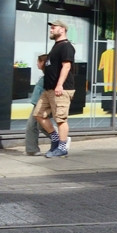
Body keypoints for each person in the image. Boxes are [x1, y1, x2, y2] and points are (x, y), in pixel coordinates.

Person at [36, 20, 76, 158]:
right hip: (48, 89)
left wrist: (59, 85)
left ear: (63, 29)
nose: (51, 30)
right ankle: (55, 139)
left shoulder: (66, 46)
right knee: (39, 114)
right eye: (51, 28)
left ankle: (62, 147)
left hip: (61, 89)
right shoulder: (56, 46)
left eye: (54, 27)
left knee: (60, 119)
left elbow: (67, 66)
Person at [24, 54, 48, 156]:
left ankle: (62, 139)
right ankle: (32, 149)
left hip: (41, 104)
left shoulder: (48, 77)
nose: (37, 63)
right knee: (35, 125)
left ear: (43, 62)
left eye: (38, 61)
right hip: (38, 104)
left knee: (38, 126)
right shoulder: (44, 76)